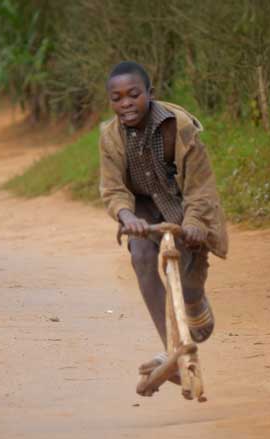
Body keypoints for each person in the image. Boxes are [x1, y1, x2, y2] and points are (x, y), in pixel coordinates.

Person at [98, 61, 229, 381]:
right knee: (141, 256)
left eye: (133, 95)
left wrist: (196, 222)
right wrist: (128, 217)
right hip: (142, 209)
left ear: (150, 94)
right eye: (117, 98)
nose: (125, 103)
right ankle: (170, 349)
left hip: (183, 207)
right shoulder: (110, 135)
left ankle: (194, 299)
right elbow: (113, 188)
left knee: (188, 286)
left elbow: (201, 186)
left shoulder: (179, 126)